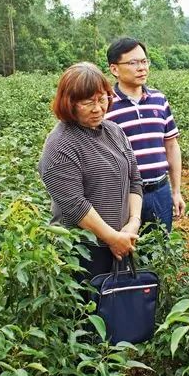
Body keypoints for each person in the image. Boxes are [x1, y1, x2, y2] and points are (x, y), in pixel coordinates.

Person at [39, 62, 143, 279]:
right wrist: (112, 238)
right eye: (88, 102)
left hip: (122, 243)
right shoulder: (60, 145)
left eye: (102, 99)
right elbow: (75, 205)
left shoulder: (114, 131)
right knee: (87, 308)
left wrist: (133, 223)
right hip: (83, 251)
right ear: (69, 103)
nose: (98, 108)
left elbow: (134, 179)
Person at [105, 37, 184, 231]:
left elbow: (171, 146)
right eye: (133, 63)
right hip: (123, 196)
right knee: (125, 253)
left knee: (161, 252)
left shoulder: (159, 99)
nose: (142, 68)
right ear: (114, 69)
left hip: (159, 191)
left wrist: (176, 191)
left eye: (144, 61)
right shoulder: (105, 105)